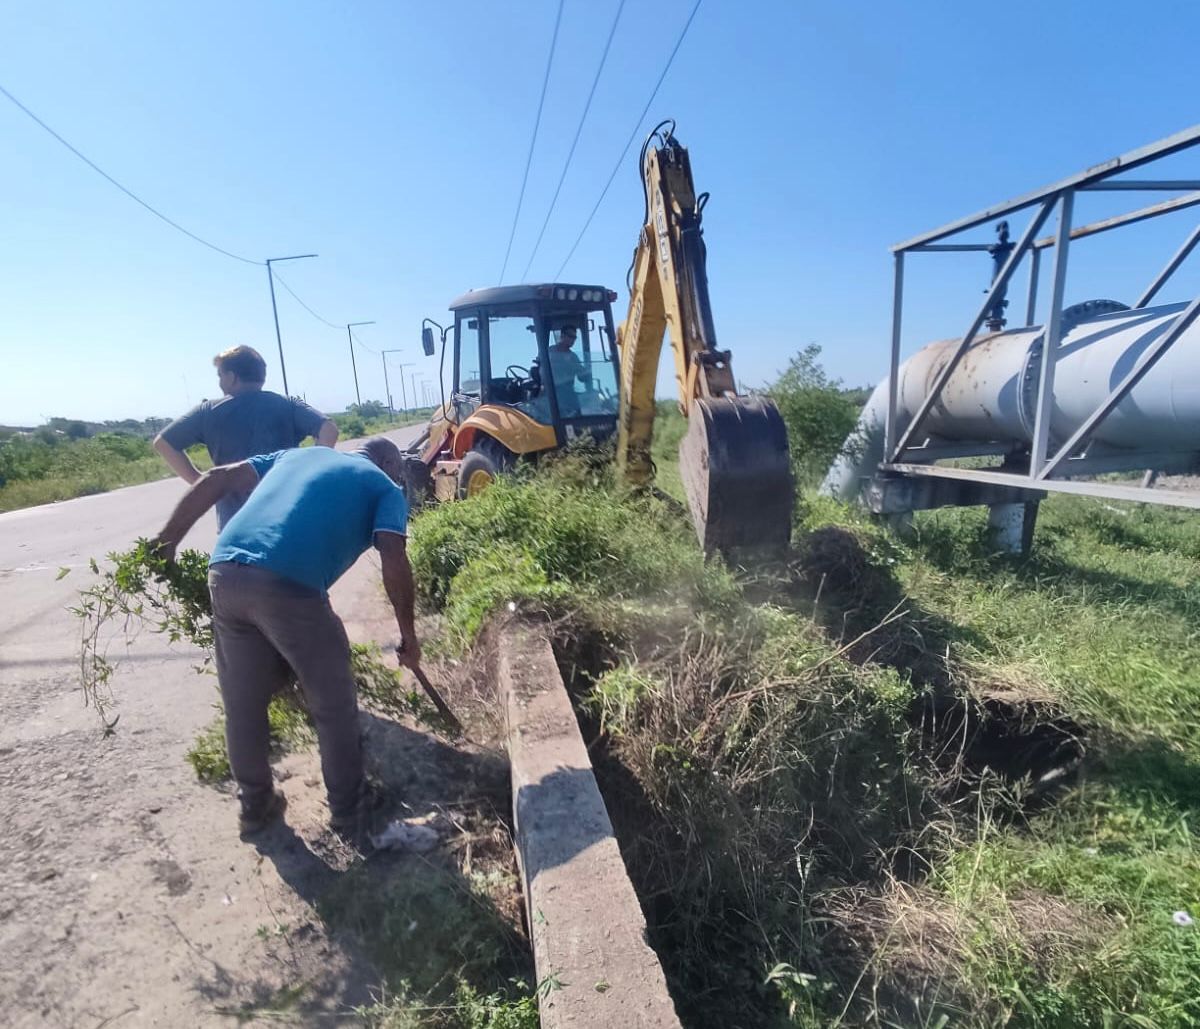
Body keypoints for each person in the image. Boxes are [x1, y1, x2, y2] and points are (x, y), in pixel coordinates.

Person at [152, 437, 420, 838]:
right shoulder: (385, 487)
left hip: (223, 573)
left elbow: (216, 478)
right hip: (287, 584)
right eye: (398, 470)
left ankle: (255, 805)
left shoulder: (296, 455)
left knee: (243, 703)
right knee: (332, 701)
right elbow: (394, 559)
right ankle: (350, 809)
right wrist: (408, 636)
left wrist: (167, 540)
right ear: (389, 463)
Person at [154, 345, 339, 528]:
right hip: (287, 516)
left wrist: (203, 484)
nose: (219, 383)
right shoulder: (287, 405)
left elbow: (164, 443)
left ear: (231, 377)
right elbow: (329, 430)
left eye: (220, 376)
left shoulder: (209, 411)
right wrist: (306, 474)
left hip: (235, 524)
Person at [544, 325, 589, 417]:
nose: (573, 340)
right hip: (549, 392)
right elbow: (540, 369)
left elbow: (582, 377)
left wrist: (586, 371)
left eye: (574, 337)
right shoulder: (549, 352)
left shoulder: (573, 357)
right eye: (570, 336)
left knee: (579, 414)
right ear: (562, 336)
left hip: (567, 393)